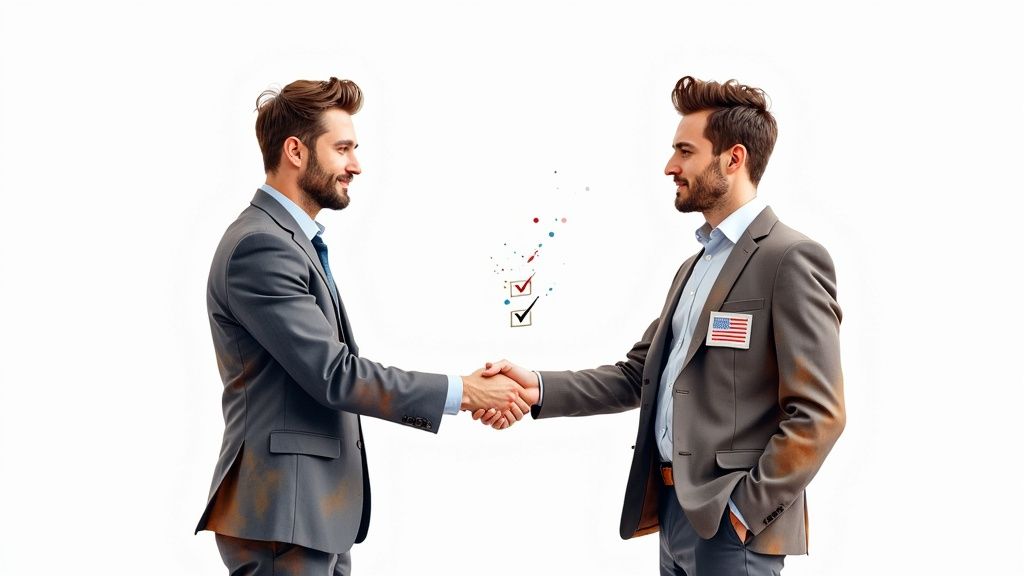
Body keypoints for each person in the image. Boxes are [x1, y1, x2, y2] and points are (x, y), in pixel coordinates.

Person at [477, 76, 845, 575]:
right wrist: (538, 387)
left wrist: (743, 513)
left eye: (685, 152)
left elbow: (819, 413)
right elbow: (639, 374)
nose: (670, 166)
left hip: (730, 529)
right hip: (673, 516)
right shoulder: (694, 268)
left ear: (733, 159)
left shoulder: (790, 258)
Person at [195, 77, 534, 576]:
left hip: (311, 514)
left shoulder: (290, 241)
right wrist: (464, 392)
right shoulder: (260, 246)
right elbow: (335, 375)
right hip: (283, 516)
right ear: (295, 150)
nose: (356, 164)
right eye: (343, 148)